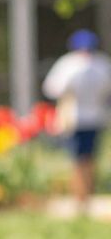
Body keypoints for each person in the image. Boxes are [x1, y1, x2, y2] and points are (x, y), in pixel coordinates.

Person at [42, 29, 111, 207]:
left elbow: (52, 89)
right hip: (84, 118)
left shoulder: (72, 64)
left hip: (85, 118)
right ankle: (83, 195)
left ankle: (83, 196)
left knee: (83, 159)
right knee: (84, 158)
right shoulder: (98, 64)